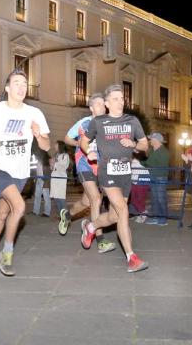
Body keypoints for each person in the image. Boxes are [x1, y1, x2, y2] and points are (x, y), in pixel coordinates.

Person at [0, 69, 51, 276]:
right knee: (19, 207)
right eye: (17, 83)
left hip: (21, 173)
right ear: (7, 88)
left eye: (24, 83)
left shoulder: (34, 113)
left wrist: (38, 135)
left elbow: (46, 145)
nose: (21, 87)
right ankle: (7, 254)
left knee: (2, 212)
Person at [79, 84, 150, 272]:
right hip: (107, 171)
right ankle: (131, 257)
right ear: (107, 103)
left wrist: (134, 143)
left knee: (113, 216)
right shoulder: (99, 122)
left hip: (125, 173)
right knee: (123, 210)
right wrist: (89, 153)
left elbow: (145, 145)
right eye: (116, 99)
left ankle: (91, 227)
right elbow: (84, 141)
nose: (121, 102)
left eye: (122, 98)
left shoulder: (132, 121)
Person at [58, 93, 116, 252]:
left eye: (103, 104)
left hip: (101, 167)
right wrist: (80, 143)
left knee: (87, 202)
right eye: (98, 104)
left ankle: (67, 216)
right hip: (84, 164)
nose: (102, 107)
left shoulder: (108, 124)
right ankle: (100, 240)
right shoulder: (84, 123)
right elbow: (66, 138)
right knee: (96, 199)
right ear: (91, 108)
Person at [143, 132, 171, 226]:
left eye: (152, 139)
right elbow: (148, 161)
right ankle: (155, 217)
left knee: (161, 198)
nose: (150, 140)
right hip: (153, 176)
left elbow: (149, 163)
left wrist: (138, 162)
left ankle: (163, 219)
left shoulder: (163, 152)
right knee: (154, 198)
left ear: (157, 141)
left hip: (160, 177)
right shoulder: (153, 150)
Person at [50, 142, 70, 217]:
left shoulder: (65, 155)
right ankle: (60, 215)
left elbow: (64, 166)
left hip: (61, 177)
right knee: (56, 197)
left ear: (60, 146)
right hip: (54, 177)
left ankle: (66, 216)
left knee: (61, 197)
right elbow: (52, 167)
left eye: (56, 145)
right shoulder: (56, 155)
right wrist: (52, 164)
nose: (55, 146)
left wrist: (54, 162)